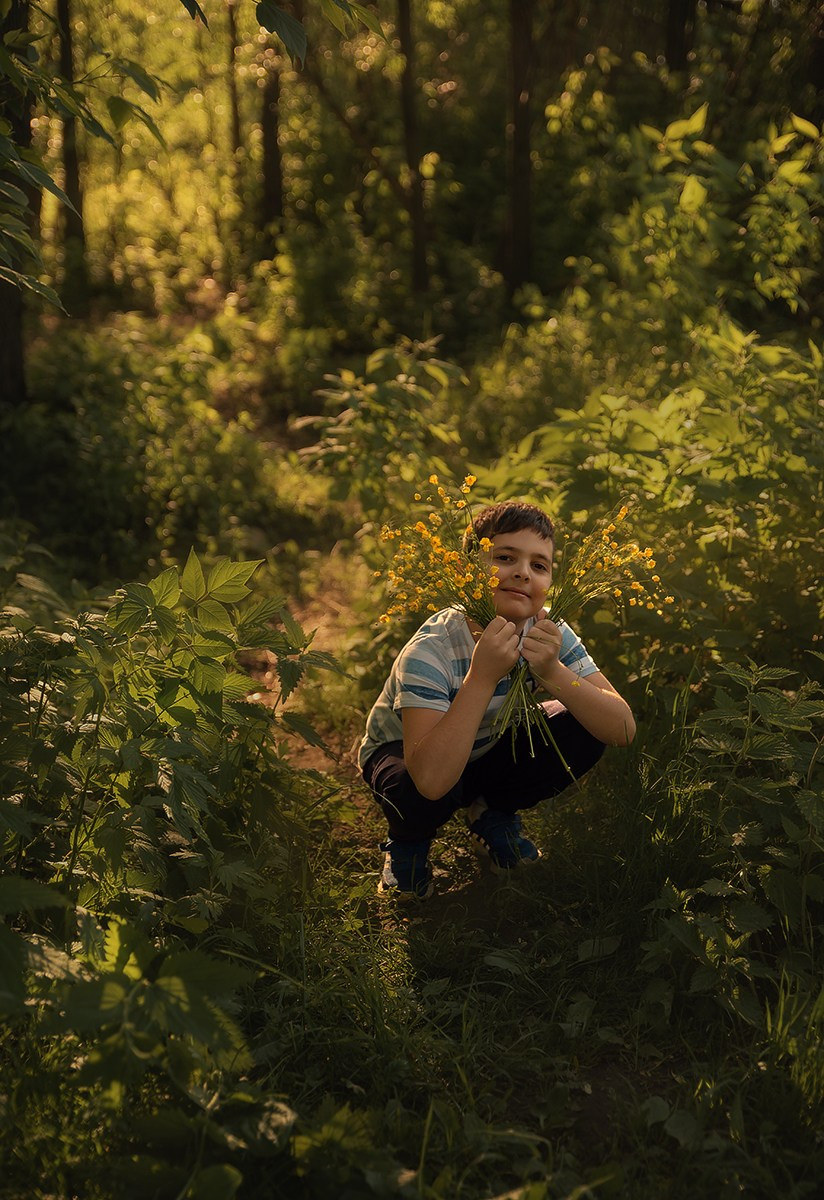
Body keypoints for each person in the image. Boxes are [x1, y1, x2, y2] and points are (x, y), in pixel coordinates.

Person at [358, 500, 636, 899]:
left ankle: (491, 813)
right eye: (504, 557)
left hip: (484, 746)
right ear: (466, 570)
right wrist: (482, 676)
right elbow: (431, 779)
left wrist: (554, 673)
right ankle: (408, 842)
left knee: (584, 718)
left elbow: (622, 728)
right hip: (410, 755)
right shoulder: (431, 649)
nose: (523, 572)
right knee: (413, 787)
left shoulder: (548, 631)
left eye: (539, 565)